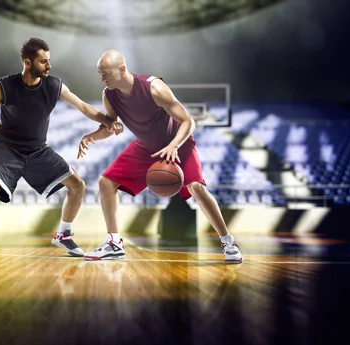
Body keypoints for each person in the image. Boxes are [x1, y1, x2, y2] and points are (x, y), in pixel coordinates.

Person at [0, 38, 122, 266]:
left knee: (77, 185)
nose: (49, 65)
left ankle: (63, 235)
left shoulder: (54, 85)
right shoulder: (4, 85)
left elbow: (84, 107)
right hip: (6, 148)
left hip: (37, 151)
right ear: (28, 62)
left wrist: (108, 121)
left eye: (49, 60)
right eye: (43, 61)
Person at [77, 49, 242, 263]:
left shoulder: (154, 87)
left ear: (122, 69)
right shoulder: (109, 95)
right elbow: (111, 125)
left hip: (178, 143)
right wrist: (92, 136)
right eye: (100, 73)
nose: (102, 78)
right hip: (147, 147)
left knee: (197, 188)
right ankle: (114, 243)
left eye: (106, 73)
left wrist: (174, 145)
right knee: (106, 183)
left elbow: (188, 121)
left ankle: (228, 242)